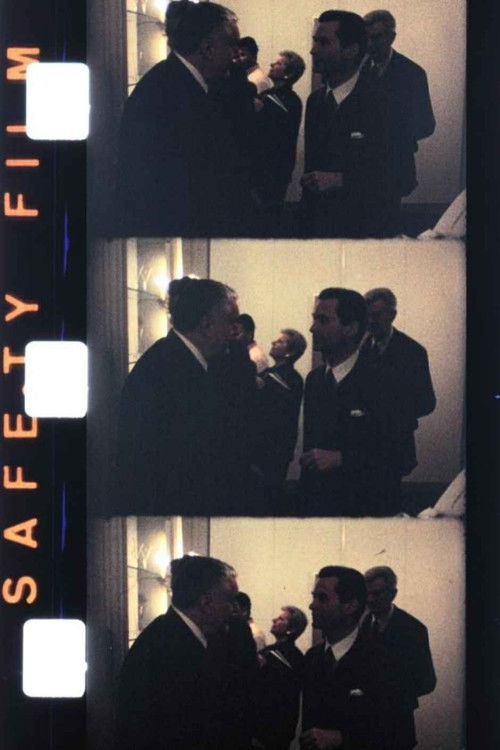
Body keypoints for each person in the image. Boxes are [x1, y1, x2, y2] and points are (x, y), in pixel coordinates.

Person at [115, 277, 254, 516]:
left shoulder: (178, 358)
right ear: (206, 324)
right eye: (230, 321)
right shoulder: (168, 367)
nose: (234, 331)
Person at [115, 0, 252, 237]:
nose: (235, 55)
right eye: (231, 45)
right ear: (207, 48)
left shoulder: (179, 82)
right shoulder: (168, 90)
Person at [116, 555, 257, 750]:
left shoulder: (178, 634)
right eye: (229, 600)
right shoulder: (166, 647)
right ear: (206, 603)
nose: (234, 609)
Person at [300, 287, 411, 516]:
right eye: (314, 319)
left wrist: (341, 458)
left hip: (366, 511)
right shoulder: (314, 380)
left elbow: (402, 456)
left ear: (350, 328)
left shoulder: (385, 380)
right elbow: (311, 453)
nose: (312, 328)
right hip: (319, 511)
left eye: (323, 320)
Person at [301, 10, 397, 238]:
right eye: (315, 41)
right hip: (318, 228)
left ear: (351, 50)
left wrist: (341, 179)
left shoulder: (381, 102)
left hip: (363, 229)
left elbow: (398, 174)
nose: (313, 50)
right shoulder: (316, 101)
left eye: (324, 42)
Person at [301, 566, 413, 750]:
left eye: (322, 598)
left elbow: (400, 733)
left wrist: (342, 738)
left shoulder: (383, 661)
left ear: (350, 606)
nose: (312, 605)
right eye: (314, 597)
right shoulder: (312, 657)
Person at [359, 287, 436, 475]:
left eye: (376, 315)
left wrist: (386, 412)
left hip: (393, 446)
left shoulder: (413, 352)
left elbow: (427, 402)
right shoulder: (360, 348)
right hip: (361, 445)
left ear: (392, 315)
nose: (370, 321)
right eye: (367, 315)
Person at [361, 566, 437, 748]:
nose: (370, 599)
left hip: (396, 725)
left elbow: (427, 681)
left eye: (376, 593)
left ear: (393, 594)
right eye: (367, 594)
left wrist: (387, 692)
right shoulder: (362, 624)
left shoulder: (413, 629)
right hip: (365, 726)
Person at [363, 10, 435, 200]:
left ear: (391, 37)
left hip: (393, 166)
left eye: (376, 37)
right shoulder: (357, 70)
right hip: (360, 167)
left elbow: (426, 124)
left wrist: (388, 134)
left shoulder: (412, 73)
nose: (369, 44)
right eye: (366, 38)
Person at [253, 51, 305, 216]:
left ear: (289, 73)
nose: (272, 65)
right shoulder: (266, 95)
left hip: (275, 167)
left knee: (270, 213)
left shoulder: (292, 101)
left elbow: (280, 134)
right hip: (259, 165)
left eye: (279, 63)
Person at [255, 329, 306, 491]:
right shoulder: (267, 374)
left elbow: (280, 416)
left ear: (290, 352)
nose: (273, 343)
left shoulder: (293, 380)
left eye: (280, 342)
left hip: (275, 448)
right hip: (261, 446)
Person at [255, 606, 307, 750]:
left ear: (291, 629)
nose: (274, 620)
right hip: (283, 729)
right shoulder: (298, 657)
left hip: (267, 729)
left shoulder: (276, 656)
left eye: (280, 619)